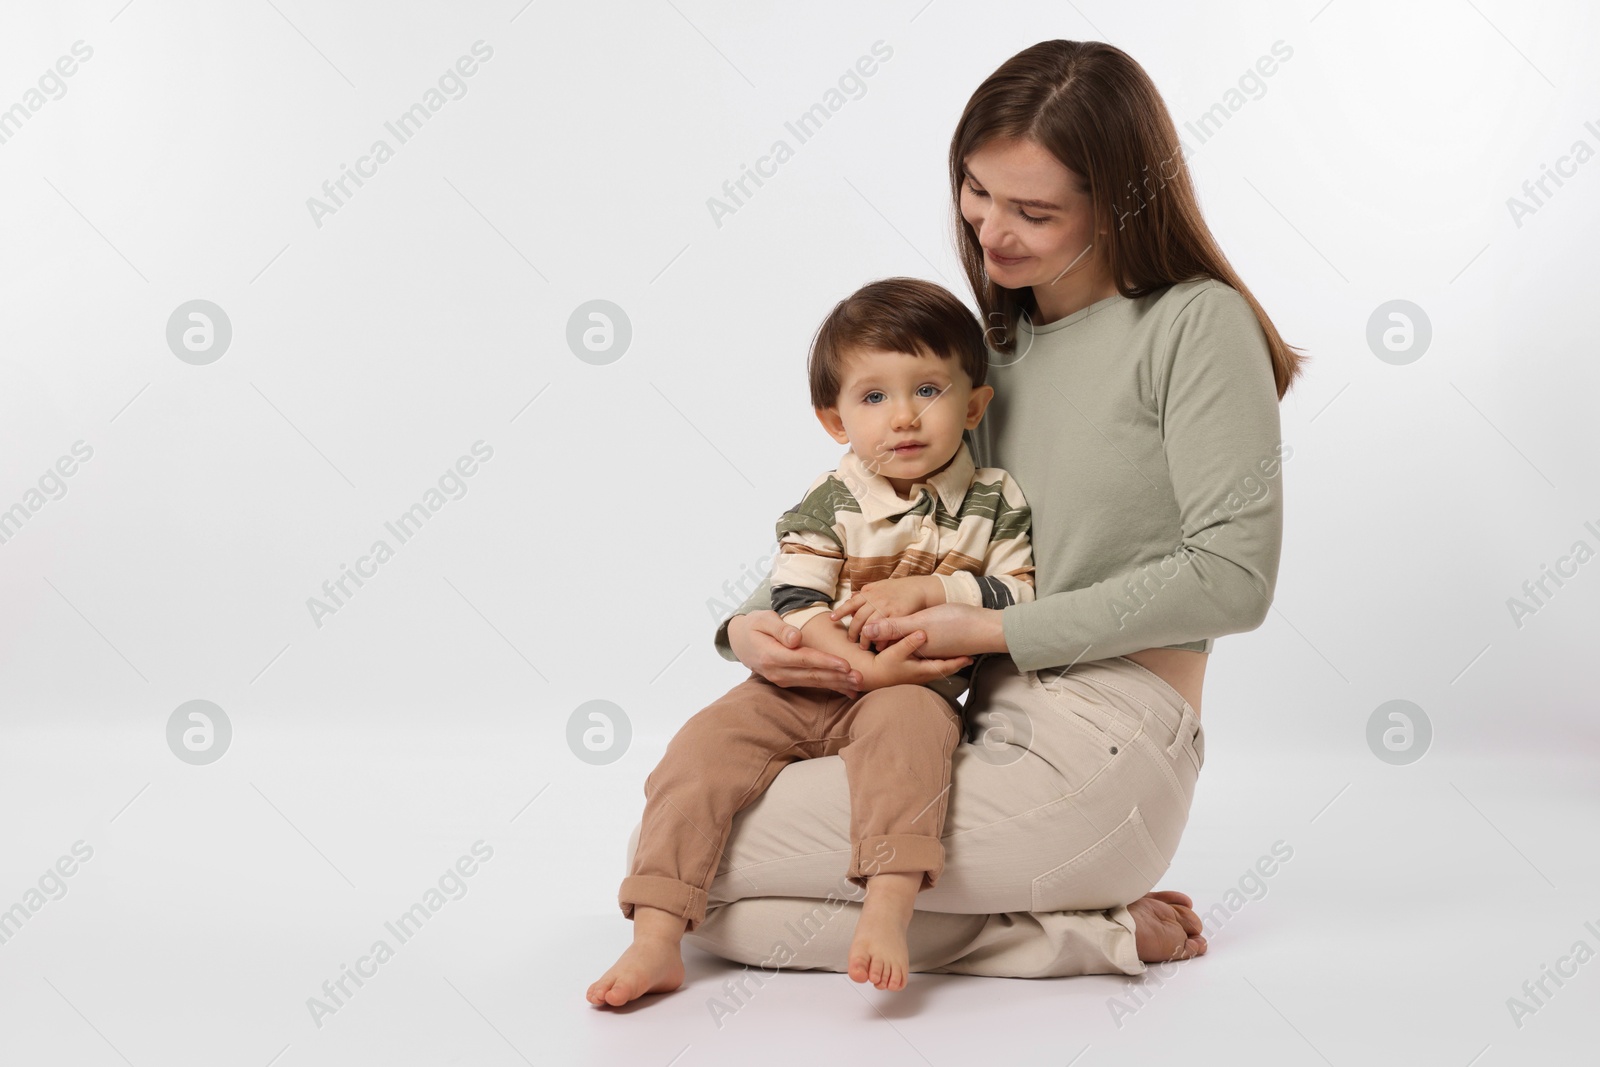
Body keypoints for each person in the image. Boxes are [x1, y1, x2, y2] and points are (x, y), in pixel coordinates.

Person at [628, 37, 1305, 982]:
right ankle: (1063, 923)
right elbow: (870, 514)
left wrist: (987, 626)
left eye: (1035, 210)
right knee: (698, 892)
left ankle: (1079, 923)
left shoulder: (1194, 324)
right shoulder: (990, 350)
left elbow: (1230, 580)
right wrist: (753, 625)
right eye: (977, 191)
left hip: (1106, 742)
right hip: (963, 724)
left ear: (1121, 203)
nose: (992, 231)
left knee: (699, 864)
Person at [588, 277, 1039, 1007]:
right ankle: (656, 936)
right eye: (873, 398)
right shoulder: (829, 500)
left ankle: (887, 910)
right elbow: (796, 598)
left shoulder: (995, 499)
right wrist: (857, 664)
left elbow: (1018, 593)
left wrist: (935, 592)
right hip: (796, 683)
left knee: (912, 744)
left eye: (928, 389)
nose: (903, 416)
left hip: (908, 691)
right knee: (700, 750)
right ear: (835, 420)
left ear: (975, 405)